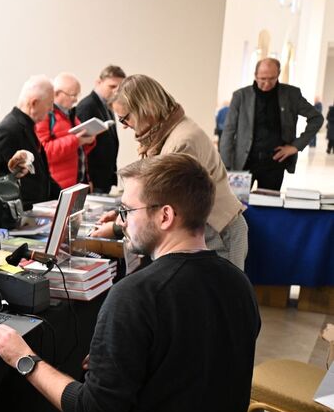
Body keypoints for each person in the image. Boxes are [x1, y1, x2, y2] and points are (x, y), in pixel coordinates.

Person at [0, 154, 259, 412]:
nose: (123, 221)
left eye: (128, 210)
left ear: (166, 216)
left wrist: (23, 358)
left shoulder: (136, 294)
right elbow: (197, 360)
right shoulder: (237, 282)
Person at [91, 74, 248, 270]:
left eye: (125, 118)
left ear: (145, 108)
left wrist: (117, 227)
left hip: (219, 233)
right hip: (208, 232)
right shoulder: (165, 132)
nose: (124, 125)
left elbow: (162, 202)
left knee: (218, 297)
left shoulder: (182, 142)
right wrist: (119, 213)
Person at [220, 58, 323, 190]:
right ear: (255, 75)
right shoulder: (241, 96)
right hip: (243, 163)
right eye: (262, 79)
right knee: (237, 206)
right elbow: (229, 130)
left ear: (278, 74)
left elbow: (316, 118)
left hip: (274, 164)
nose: (267, 83)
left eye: (272, 78)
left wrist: (295, 146)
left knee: (268, 206)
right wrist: (225, 165)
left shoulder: (291, 95)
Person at [0, 75, 60, 208]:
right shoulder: (9, 130)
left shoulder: (26, 126)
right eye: (50, 103)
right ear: (34, 103)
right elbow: (0, 179)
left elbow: (42, 176)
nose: (52, 109)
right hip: (22, 213)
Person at [35, 72, 96, 189]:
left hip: (77, 183)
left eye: (77, 95)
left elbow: (79, 152)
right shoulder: (46, 116)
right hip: (58, 186)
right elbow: (44, 152)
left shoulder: (71, 114)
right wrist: (77, 141)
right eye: (72, 95)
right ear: (57, 93)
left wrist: (89, 140)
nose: (76, 100)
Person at [76, 65, 126, 193]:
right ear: (99, 82)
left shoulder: (107, 105)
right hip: (94, 178)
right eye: (112, 86)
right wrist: (87, 179)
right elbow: (82, 147)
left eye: (119, 88)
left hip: (104, 177)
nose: (116, 91)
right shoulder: (87, 106)